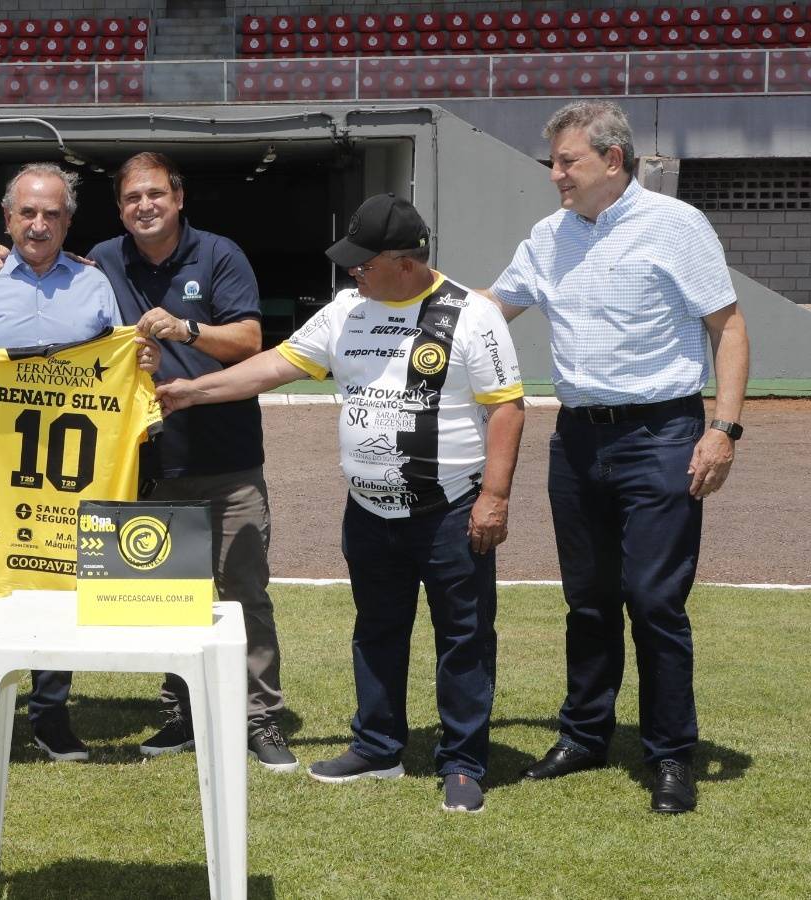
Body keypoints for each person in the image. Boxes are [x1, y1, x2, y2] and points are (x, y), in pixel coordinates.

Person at [163, 193, 526, 812]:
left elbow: (507, 410)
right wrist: (195, 390)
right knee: (377, 629)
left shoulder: (472, 315)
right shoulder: (347, 311)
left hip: (449, 510)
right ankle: (377, 746)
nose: (352, 272)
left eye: (364, 262)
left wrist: (493, 498)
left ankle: (463, 763)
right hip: (369, 510)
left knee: (463, 637)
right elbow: (274, 365)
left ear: (404, 262)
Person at [488, 100, 750, 815]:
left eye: (566, 161)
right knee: (590, 599)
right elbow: (489, 308)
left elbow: (727, 328)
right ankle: (584, 736)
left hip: (663, 433)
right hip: (576, 440)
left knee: (654, 599)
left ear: (613, 159)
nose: (555, 176)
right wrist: (402, 306)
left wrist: (722, 430)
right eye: (553, 162)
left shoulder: (676, 226)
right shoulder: (547, 238)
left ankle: (670, 754)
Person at [0, 163, 157, 763]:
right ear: (8, 218)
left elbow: (121, 361)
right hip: (1, 471)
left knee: (61, 587)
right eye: (27, 212)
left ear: (68, 221)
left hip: (75, 475)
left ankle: (51, 714)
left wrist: (142, 361)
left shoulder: (93, 284)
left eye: (52, 213)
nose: (39, 223)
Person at [92, 152, 297, 773]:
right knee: (163, 599)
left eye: (155, 194)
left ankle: (259, 717)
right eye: (132, 199)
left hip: (227, 458)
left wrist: (184, 329)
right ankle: (180, 712)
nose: (144, 207)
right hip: (144, 464)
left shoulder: (218, 255)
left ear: (178, 198)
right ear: (121, 208)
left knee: (243, 595)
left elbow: (250, 340)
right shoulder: (102, 260)